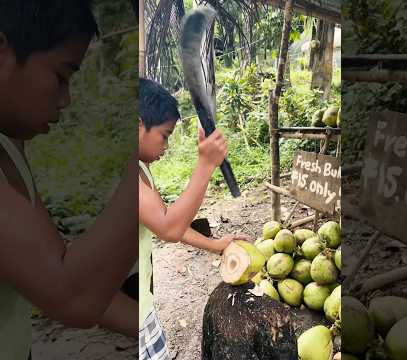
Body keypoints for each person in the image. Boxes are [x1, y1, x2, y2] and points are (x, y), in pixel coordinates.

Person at [0, 1, 139, 359]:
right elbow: (71, 297)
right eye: (61, 76)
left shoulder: (11, 146)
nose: (65, 99)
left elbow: (56, 273)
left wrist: (152, 321)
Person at [138, 78, 248, 360]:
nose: (167, 145)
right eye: (164, 135)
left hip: (142, 308)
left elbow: (167, 222)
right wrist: (206, 164)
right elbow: (169, 228)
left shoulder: (140, 168)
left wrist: (218, 245)